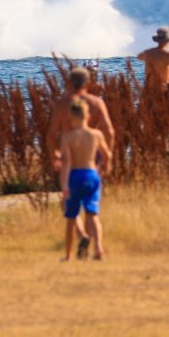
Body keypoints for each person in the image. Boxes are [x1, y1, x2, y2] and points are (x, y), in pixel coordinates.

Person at [47, 66, 115, 258]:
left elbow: (51, 134)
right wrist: (104, 157)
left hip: (71, 161)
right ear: (88, 83)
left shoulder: (63, 103)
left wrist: (55, 155)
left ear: (69, 82)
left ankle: (81, 236)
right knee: (91, 208)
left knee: (69, 203)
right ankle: (95, 246)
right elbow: (109, 131)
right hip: (91, 160)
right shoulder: (96, 102)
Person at [60, 99, 111, 261]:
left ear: (71, 117)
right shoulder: (96, 135)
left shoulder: (68, 137)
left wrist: (64, 184)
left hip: (76, 174)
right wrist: (105, 167)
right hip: (91, 174)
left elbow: (67, 162)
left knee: (71, 215)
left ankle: (68, 255)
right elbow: (106, 155)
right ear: (87, 116)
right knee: (92, 214)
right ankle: (98, 249)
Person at [137, 27, 169, 92]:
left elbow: (139, 57)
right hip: (163, 89)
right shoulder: (168, 55)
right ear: (168, 40)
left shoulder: (148, 52)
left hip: (148, 89)